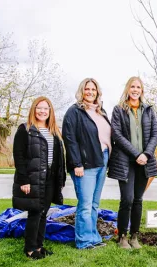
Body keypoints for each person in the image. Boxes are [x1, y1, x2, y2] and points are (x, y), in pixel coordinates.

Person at [108, 76, 157, 249]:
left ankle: (134, 236)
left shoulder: (149, 110)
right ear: (127, 89)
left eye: (138, 87)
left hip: (144, 161)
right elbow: (117, 135)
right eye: (132, 87)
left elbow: (155, 134)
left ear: (142, 90)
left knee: (138, 199)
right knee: (127, 199)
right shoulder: (119, 110)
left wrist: (146, 154)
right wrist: (136, 153)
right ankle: (122, 236)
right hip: (125, 161)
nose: (135, 90)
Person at [12, 96, 66, 259]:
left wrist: (59, 179)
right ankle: (30, 248)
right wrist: (24, 180)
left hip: (49, 179)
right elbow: (19, 156)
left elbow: (58, 158)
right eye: (39, 108)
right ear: (34, 110)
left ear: (50, 112)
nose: (42, 111)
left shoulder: (54, 131)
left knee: (44, 212)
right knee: (35, 212)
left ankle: (39, 245)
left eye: (46, 108)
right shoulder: (25, 129)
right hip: (33, 178)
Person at [62, 78, 112, 249]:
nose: (90, 92)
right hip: (85, 163)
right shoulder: (74, 111)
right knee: (85, 204)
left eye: (93, 89)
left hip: (102, 159)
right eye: (87, 89)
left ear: (98, 92)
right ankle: (83, 241)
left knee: (94, 204)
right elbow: (70, 139)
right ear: (81, 91)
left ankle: (93, 237)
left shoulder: (101, 112)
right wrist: (77, 164)